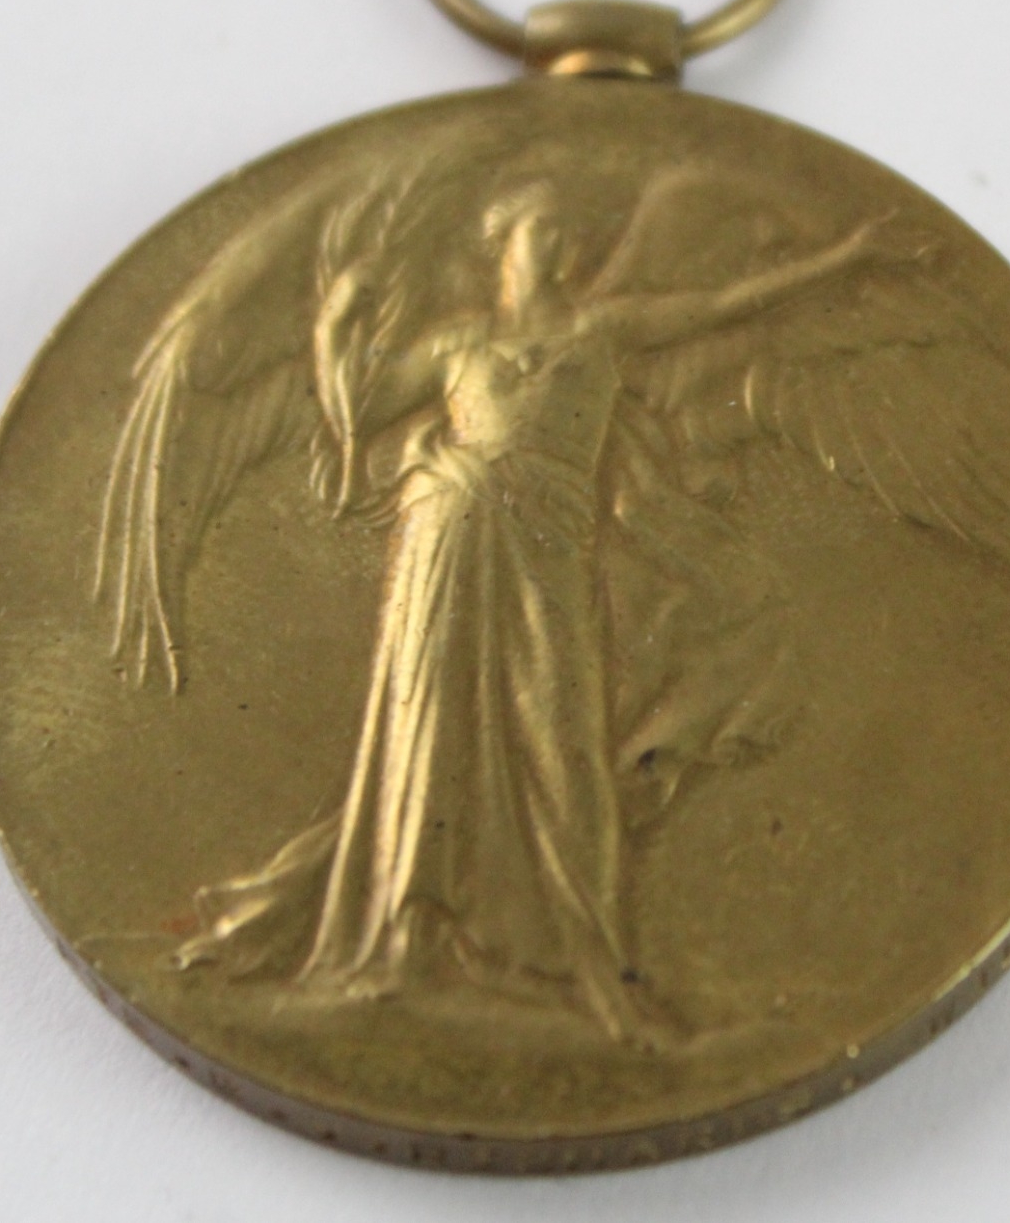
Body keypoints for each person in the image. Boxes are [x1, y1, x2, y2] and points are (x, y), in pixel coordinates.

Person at [180, 180, 903, 1040]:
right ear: (506, 245)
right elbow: (359, 406)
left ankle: (574, 957)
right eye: (543, 231)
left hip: (548, 544)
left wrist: (845, 258)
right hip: (449, 531)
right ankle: (410, 930)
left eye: (568, 234)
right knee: (432, 719)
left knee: (558, 737)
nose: (561, 248)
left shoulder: (601, 329)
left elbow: (721, 306)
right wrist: (339, 323)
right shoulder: (458, 342)